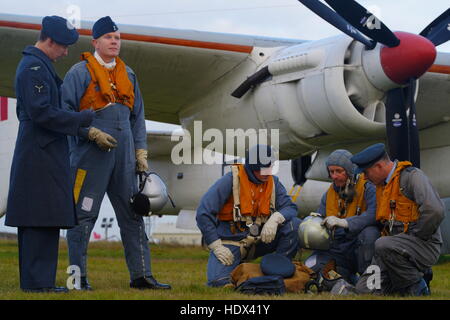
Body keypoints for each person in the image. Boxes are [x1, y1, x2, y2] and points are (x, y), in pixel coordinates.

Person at [62, 16, 170, 290]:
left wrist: (141, 152)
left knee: (133, 215)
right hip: (89, 157)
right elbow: (64, 115)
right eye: (109, 38)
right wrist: (91, 133)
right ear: (95, 42)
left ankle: (141, 276)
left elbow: (138, 117)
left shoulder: (129, 75)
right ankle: (77, 279)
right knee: (82, 216)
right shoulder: (78, 73)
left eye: (118, 38)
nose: (114, 42)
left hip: (124, 159)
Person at [5, 16, 97, 293]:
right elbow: (40, 112)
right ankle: (36, 283)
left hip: (44, 152)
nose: (66, 52)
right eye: (63, 46)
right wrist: (80, 120)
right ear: (50, 41)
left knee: (45, 217)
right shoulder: (34, 67)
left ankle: (41, 282)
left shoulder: (40, 66)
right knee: (37, 218)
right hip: (38, 154)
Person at [196, 144, 301, 287]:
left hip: (262, 240)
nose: (266, 173)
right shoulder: (231, 180)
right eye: (262, 168)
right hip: (232, 242)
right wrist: (216, 246)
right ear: (251, 167)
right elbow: (203, 212)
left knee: (293, 224)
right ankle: (249, 273)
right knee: (217, 282)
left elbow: (290, 207)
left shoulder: (273, 182)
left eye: (269, 167)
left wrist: (275, 219)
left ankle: (278, 272)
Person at [351, 143, 444, 296]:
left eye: (366, 172)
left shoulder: (412, 177)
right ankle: (409, 280)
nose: (365, 177)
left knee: (382, 243)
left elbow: (435, 210)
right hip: (392, 249)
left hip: (423, 244)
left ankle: (417, 287)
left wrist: (416, 236)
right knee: (365, 289)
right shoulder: (381, 187)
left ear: (379, 166)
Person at [304, 149, 380, 284]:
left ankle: (369, 280)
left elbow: (373, 215)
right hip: (338, 247)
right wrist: (311, 225)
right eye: (331, 172)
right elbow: (321, 218)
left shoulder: (367, 187)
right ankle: (347, 278)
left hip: (358, 243)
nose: (334, 176)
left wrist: (346, 223)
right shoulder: (329, 194)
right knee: (311, 270)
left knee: (370, 234)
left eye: (339, 171)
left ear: (350, 171)